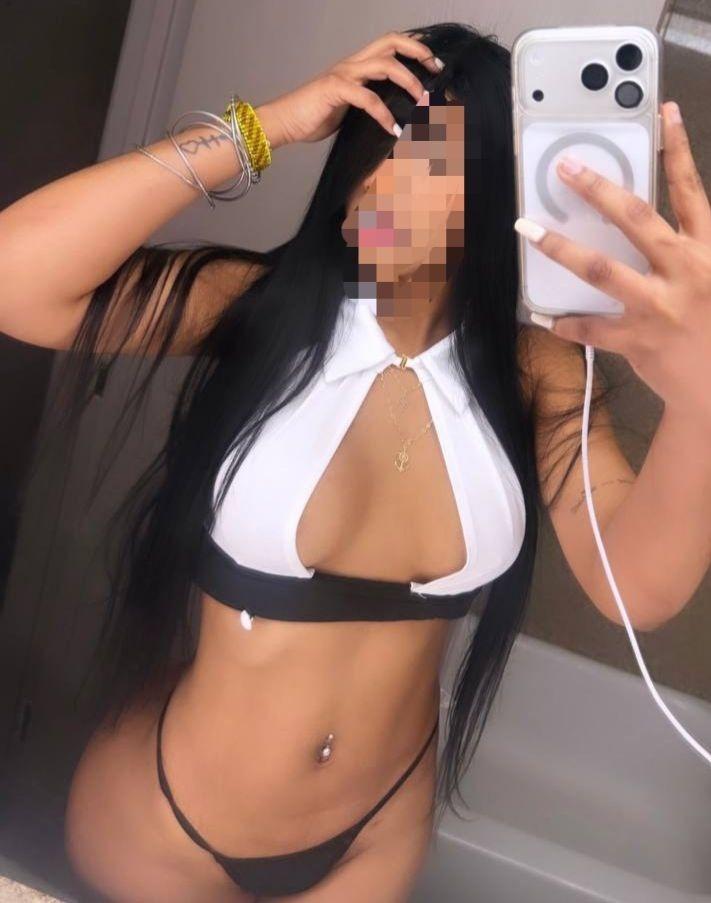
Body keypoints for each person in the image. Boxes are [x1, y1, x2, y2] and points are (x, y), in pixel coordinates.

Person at [2, 20, 710, 903]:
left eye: (423, 160)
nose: (376, 183)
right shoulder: (256, 306)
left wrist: (701, 397)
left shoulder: (541, 370)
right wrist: (269, 124)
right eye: (370, 150)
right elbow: (16, 278)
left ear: (497, 183)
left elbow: (635, 588)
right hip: (167, 825)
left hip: (371, 841)